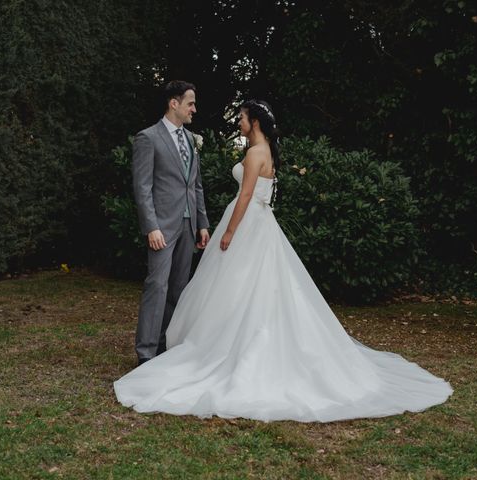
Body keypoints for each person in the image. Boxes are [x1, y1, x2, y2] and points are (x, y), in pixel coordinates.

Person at [115, 100, 452, 423]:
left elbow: (246, 196)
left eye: (243, 118)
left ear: (255, 122)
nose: (239, 123)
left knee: (237, 286)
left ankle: (221, 348)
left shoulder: (253, 154)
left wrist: (229, 232)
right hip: (262, 223)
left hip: (247, 223)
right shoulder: (268, 152)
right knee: (257, 287)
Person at [131, 80, 210, 365]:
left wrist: (202, 222)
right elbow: (142, 187)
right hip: (162, 227)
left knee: (179, 289)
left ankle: (166, 347)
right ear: (173, 103)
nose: (194, 109)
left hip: (189, 225)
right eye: (190, 103)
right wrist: (151, 226)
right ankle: (146, 354)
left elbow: (196, 185)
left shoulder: (191, 139)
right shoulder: (148, 138)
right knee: (157, 286)